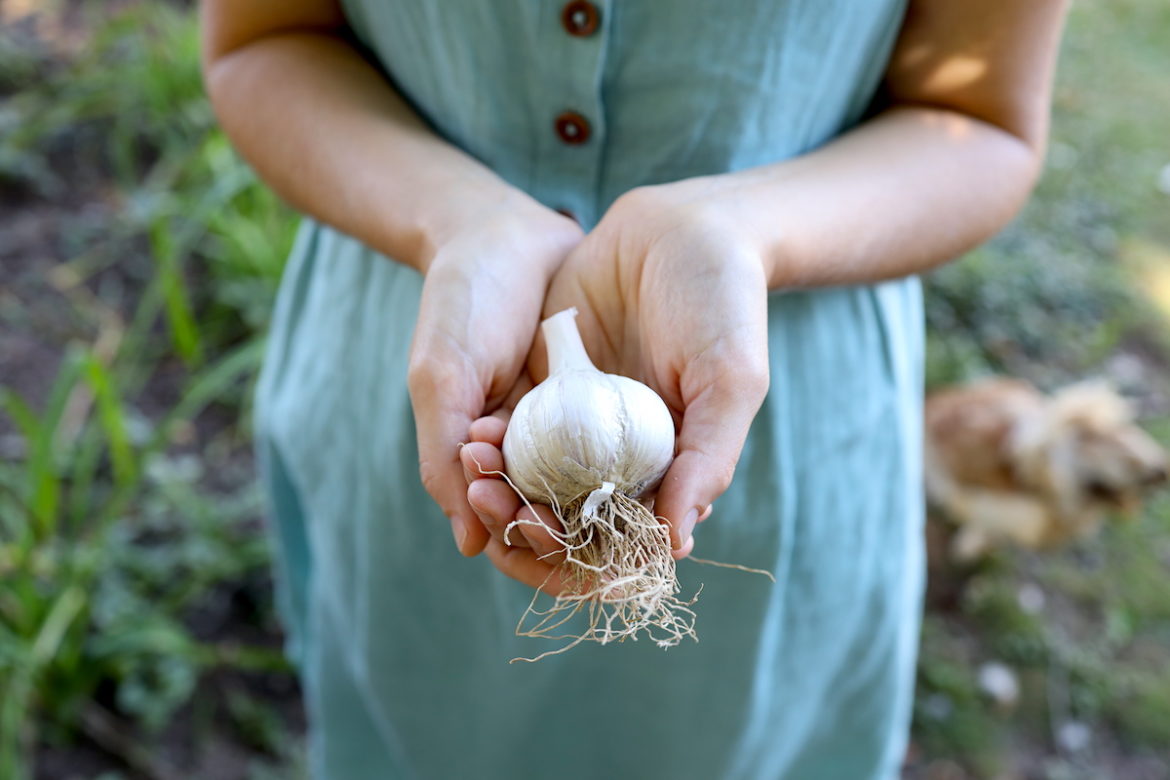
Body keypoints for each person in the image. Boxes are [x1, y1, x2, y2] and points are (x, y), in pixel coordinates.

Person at [201, 1, 1068, 777]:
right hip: (426, 357)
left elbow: (978, 118)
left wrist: (740, 230)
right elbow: (264, 40)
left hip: (781, 411)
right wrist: (456, 218)